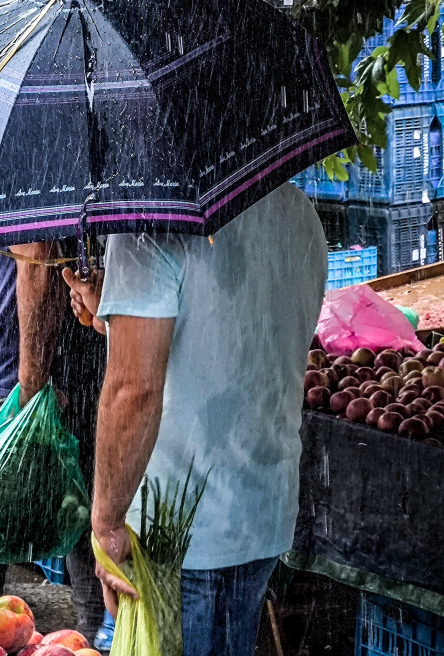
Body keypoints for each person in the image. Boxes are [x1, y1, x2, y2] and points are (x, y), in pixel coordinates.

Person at [63, 184, 327, 654]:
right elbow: (234, 327)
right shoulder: (297, 210)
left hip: (180, 534)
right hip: (263, 511)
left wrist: (105, 525)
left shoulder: (148, 221)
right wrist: (112, 312)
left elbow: (133, 390)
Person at [0, 244, 107, 640]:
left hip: (13, 392)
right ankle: (92, 642)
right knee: (82, 523)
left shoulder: (29, 186)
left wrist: (30, 391)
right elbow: (19, 278)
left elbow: (37, 262)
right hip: (43, 379)